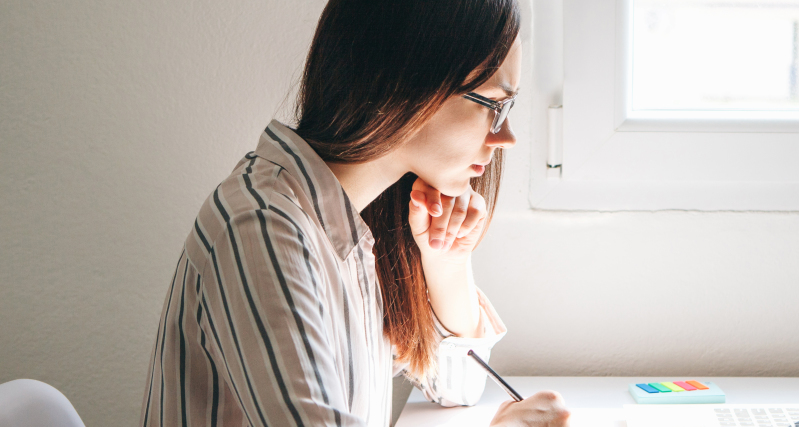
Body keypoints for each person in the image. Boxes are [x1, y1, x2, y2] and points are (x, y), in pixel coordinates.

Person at [139, 0, 571, 426]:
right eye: (492, 104)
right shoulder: (263, 230)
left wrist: (447, 264)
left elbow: (459, 386)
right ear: (408, 81)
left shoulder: (352, 222)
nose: (506, 137)